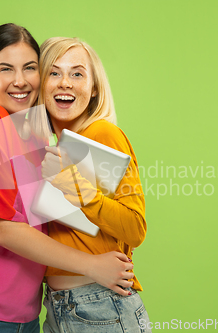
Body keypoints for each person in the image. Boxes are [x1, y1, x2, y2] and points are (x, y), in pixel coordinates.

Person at [0, 24, 134, 333]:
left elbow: (80, 220)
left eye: (30, 68)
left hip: (24, 319)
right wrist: (93, 266)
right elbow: (4, 230)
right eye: (6, 69)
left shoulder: (37, 143)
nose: (19, 81)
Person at [39, 37, 151, 332]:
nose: (65, 82)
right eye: (54, 72)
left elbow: (135, 228)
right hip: (58, 306)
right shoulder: (46, 148)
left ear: (94, 89)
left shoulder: (102, 133)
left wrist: (68, 181)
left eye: (77, 73)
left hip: (101, 306)